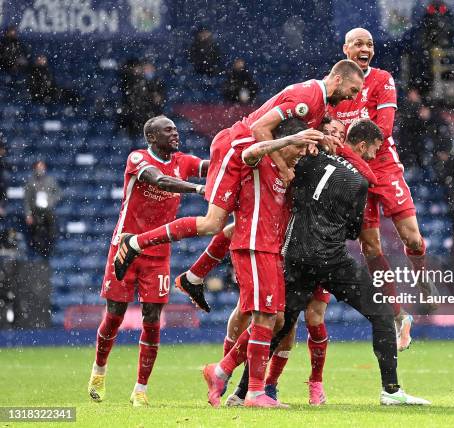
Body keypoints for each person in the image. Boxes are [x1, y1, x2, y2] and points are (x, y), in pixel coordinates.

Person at [112, 59, 364, 281]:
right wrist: (284, 170)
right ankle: (136, 242)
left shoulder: (320, 103)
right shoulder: (307, 97)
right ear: (338, 79)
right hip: (235, 150)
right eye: (352, 90)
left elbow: (289, 134)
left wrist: (321, 139)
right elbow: (260, 130)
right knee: (212, 223)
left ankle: (195, 277)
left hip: (256, 159)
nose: (352, 97)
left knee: (250, 223)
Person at [270, 119, 430, 405]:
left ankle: (245, 387)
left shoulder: (310, 160)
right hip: (329, 258)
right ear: (361, 145)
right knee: (381, 312)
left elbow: (293, 193)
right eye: (373, 150)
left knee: (284, 322)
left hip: (295, 253)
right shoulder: (358, 180)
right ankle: (391, 391)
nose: (374, 156)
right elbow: (353, 230)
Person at [87, 115, 210, 407]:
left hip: (158, 254)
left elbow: (209, 167)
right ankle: (99, 370)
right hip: (125, 247)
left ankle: (140, 389)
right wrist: (197, 189)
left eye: (176, 129)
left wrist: (234, 159)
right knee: (114, 315)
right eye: (168, 130)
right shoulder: (137, 158)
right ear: (152, 137)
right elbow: (159, 180)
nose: (175, 133)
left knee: (152, 321)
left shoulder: (183, 161)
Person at [202, 119, 323, 408]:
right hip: (253, 245)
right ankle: (255, 392)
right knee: (264, 317)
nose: (300, 153)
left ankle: (220, 371)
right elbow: (249, 153)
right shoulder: (260, 158)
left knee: (279, 320)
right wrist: (286, 141)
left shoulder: (287, 173)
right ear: (285, 139)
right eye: (298, 146)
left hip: (271, 250)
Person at [329, 27, 425, 351]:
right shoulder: (335, 84)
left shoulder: (382, 79)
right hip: (353, 172)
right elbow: (327, 131)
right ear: (345, 49)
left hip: (382, 165)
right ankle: (400, 316)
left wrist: (345, 139)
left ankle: (422, 281)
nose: (365, 47)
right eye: (358, 43)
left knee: (412, 237)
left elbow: (381, 130)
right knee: (370, 248)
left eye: (369, 43)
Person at [23, 160, 62, 258]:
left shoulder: (50, 180)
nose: (40, 169)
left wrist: (51, 200)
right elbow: (27, 199)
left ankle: (49, 251)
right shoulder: (30, 182)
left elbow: (58, 193)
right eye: (38, 167)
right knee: (37, 233)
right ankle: (38, 252)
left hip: (48, 210)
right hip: (36, 211)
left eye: (42, 167)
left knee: (51, 231)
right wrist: (28, 214)